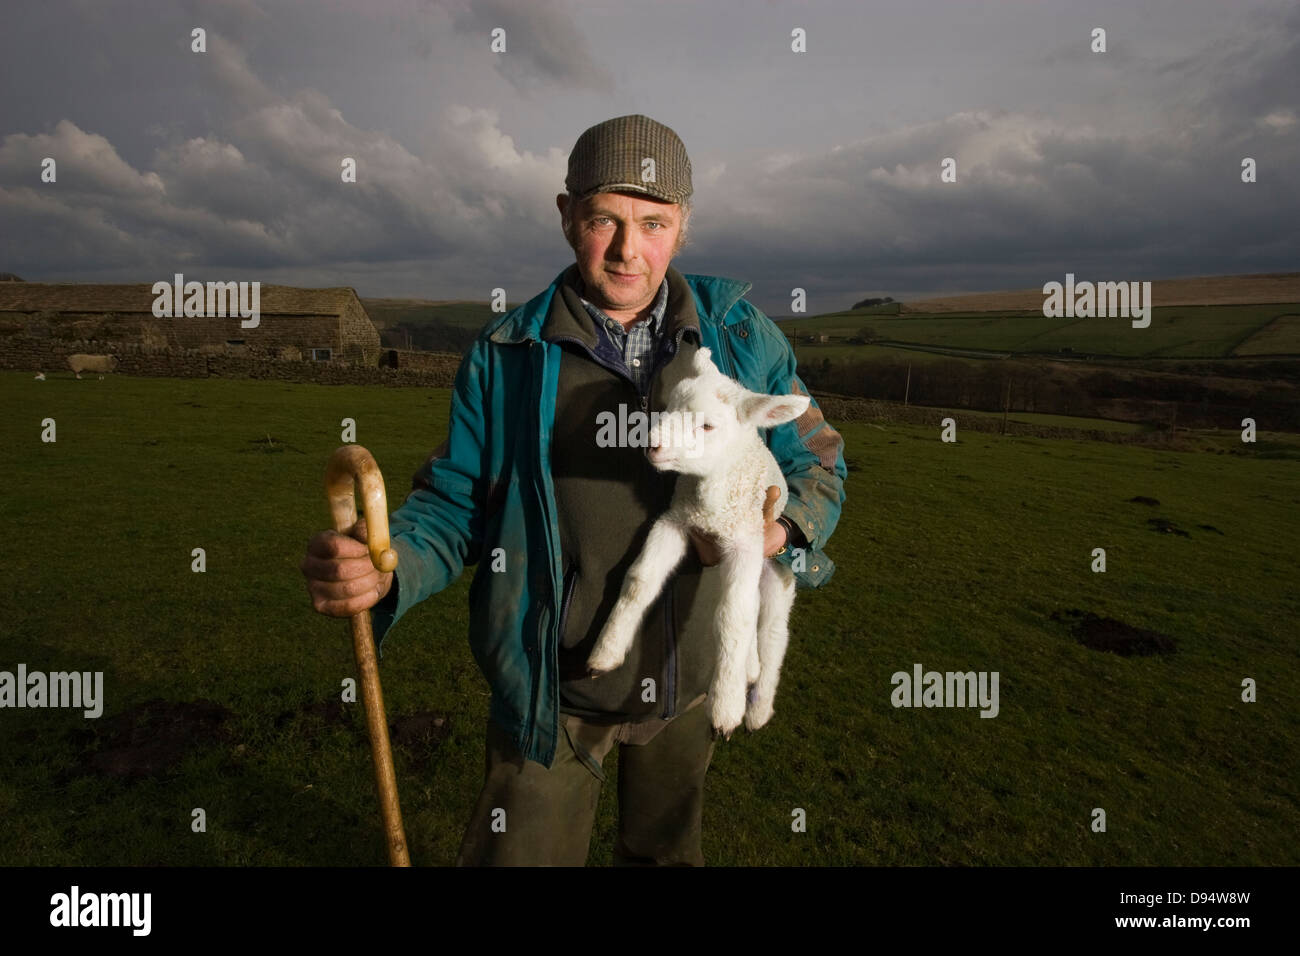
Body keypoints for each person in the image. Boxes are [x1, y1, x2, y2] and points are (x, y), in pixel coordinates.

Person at [301, 114, 847, 866]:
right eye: (605, 220)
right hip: (549, 692)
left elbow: (818, 462)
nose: (629, 249)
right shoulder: (508, 356)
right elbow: (456, 503)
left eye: (653, 223)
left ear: (683, 226)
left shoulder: (745, 339)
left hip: (684, 686)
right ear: (567, 217)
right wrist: (384, 562)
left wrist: (781, 532)